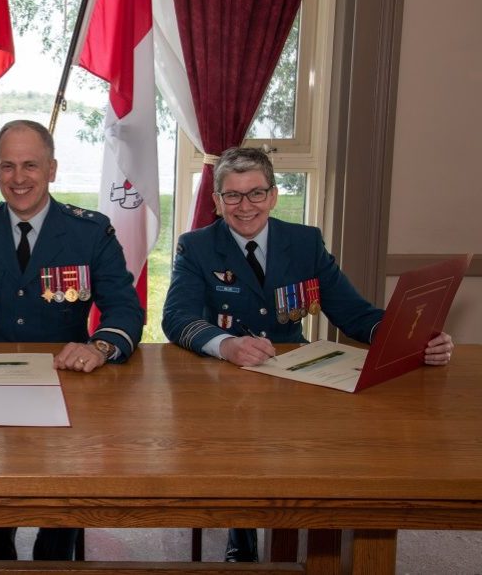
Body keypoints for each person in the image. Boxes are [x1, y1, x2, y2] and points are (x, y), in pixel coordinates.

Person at [162, 146, 454, 562]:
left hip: (291, 375)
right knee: (240, 448)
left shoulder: (304, 242)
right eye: (233, 196)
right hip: (225, 380)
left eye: (256, 193)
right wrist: (226, 345)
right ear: (217, 201)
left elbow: (355, 313)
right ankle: (241, 528)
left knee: (319, 449)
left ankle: (313, 532)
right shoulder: (197, 246)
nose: (245, 207)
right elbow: (177, 317)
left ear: (275, 195)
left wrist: (414, 338)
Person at [0, 119, 144, 561]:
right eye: (7, 166)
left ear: (52, 169)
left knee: (69, 485)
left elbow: (125, 309)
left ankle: (54, 548)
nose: (18, 178)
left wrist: (98, 347)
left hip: (66, 380)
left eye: (31, 166)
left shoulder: (89, 231)